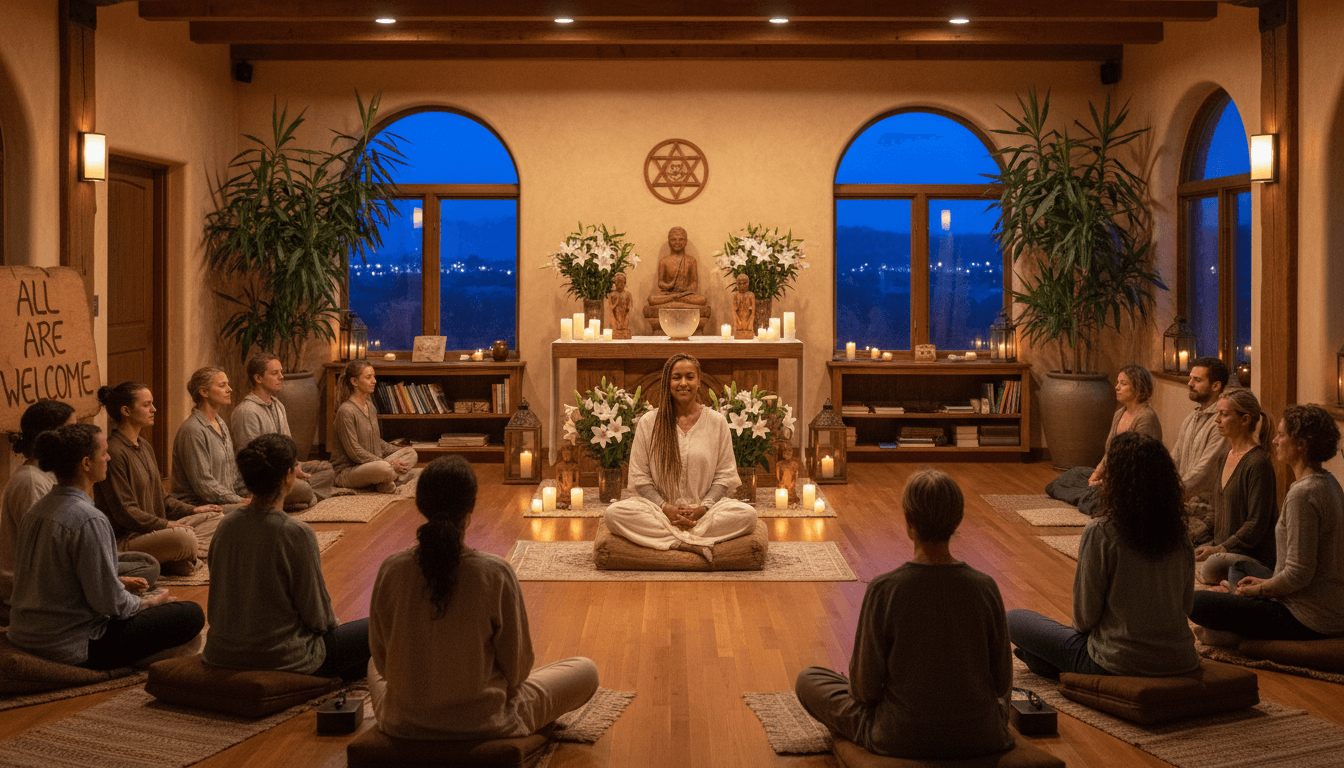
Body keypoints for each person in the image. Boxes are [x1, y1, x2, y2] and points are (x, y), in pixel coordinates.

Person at [369, 455, 599, 739]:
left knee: (370, 666)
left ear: (420, 506)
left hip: (403, 722)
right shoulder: (495, 573)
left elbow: (382, 663)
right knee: (586, 671)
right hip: (484, 722)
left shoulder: (391, 569)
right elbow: (518, 671)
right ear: (471, 508)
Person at [795, 469, 1012, 760]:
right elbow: (1001, 683)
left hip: (898, 736)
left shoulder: (885, 589)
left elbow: (863, 689)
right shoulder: (986, 588)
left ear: (909, 523)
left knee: (809, 679)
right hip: (983, 735)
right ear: (957, 521)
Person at [8, 423, 204, 669]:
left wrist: (119, 585)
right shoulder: (89, 518)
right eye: (104, 453)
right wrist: (149, 603)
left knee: (146, 572)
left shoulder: (37, 510)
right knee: (190, 614)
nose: (109, 457)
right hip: (71, 644)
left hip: (25, 634)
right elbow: (110, 604)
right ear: (86, 463)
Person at [1008, 432, 1199, 679]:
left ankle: (1049, 662)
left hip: (1116, 662)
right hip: (1180, 659)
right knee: (1041, 645)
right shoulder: (1179, 533)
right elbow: (1187, 605)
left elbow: (1084, 619)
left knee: (1014, 618)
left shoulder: (1102, 531)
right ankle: (1045, 660)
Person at [203, 434, 368, 679]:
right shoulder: (294, 533)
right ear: (288, 476)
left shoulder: (225, 525)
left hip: (220, 653)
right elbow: (320, 619)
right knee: (378, 628)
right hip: (280, 658)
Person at [1190, 405, 1344, 646]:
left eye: (1281, 435)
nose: (1274, 440)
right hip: (1326, 605)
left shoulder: (1303, 495)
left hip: (1306, 616)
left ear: (1301, 444)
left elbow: (1298, 574)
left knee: (1196, 602)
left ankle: (1233, 639)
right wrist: (1264, 584)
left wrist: (1260, 592)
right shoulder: (1330, 482)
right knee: (1239, 573)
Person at [3, 400, 159, 623]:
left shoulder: (58, 479)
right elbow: (46, 558)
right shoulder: (32, 481)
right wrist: (119, 588)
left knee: (147, 563)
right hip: (35, 590)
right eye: (72, 429)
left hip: (62, 572)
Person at [603, 354, 757, 562]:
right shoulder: (649, 422)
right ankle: (688, 543)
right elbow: (640, 478)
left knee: (747, 515)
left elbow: (724, 476)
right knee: (614, 514)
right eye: (676, 377)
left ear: (699, 381)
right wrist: (666, 508)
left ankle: (668, 540)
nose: (683, 383)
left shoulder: (717, 422)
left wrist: (703, 508)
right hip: (660, 511)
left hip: (704, 512)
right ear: (668, 382)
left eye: (689, 377)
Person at [95, 383, 223, 576]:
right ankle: (180, 557)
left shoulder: (145, 446)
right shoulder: (114, 452)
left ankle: (179, 558)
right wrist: (166, 525)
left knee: (218, 518)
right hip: (129, 539)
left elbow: (162, 498)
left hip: (157, 532)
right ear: (126, 411)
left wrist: (194, 509)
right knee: (184, 538)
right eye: (147, 405)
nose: (154, 409)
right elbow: (125, 511)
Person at [1046, 364, 1161, 516]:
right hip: (1112, 475)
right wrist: (1097, 474)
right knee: (1069, 477)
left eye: (1123, 384)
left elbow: (1139, 464)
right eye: (1117, 382)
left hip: (1132, 483)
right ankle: (1092, 494)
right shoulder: (1120, 413)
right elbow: (1109, 452)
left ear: (1139, 388)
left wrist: (1109, 482)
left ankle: (1097, 498)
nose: (1117, 387)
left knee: (1092, 501)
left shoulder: (1146, 418)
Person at [230, 352, 336, 511]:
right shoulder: (247, 411)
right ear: (258, 378)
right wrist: (288, 474)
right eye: (274, 373)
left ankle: (300, 501)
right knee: (304, 488)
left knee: (327, 469)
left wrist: (293, 467)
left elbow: (288, 444)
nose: (281, 377)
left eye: (280, 372)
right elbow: (252, 461)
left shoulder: (278, 404)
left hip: (285, 470)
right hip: (264, 480)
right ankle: (301, 499)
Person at [1194, 388, 1277, 585]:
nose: (1217, 420)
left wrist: (1220, 549)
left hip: (1250, 556)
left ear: (1245, 420)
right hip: (1223, 549)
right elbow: (1216, 513)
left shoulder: (1258, 463)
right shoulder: (1225, 457)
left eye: (1224, 414)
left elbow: (1255, 524)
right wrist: (1193, 538)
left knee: (1209, 566)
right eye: (1217, 414)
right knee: (1183, 554)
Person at [331, 360, 418, 492]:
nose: (374, 381)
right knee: (383, 468)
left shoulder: (370, 407)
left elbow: (377, 442)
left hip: (374, 463)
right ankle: (388, 478)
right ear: (354, 382)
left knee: (411, 453)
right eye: (368, 377)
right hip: (349, 471)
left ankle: (383, 481)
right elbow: (355, 453)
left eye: (374, 376)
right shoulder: (346, 411)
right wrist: (390, 464)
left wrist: (397, 452)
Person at [171, 367, 248, 506]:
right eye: (222, 385)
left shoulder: (220, 423)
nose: (229, 389)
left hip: (224, 503)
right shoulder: (192, 430)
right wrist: (241, 501)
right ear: (204, 392)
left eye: (227, 384)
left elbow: (232, 473)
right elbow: (204, 485)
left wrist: (251, 493)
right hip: (199, 506)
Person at [1171, 357, 1231, 512]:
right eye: (1190, 378)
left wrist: (1170, 492)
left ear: (1216, 386)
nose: (1190, 384)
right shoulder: (1191, 418)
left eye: (1197, 380)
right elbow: (1174, 458)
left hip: (1206, 508)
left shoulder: (1221, 423)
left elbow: (1203, 471)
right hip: (1181, 501)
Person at [608, 271, 632, 340]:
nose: (620, 284)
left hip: (624, 316)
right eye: (618, 282)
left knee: (624, 327)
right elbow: (610, 309)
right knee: (617, 326)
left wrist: (626, 320)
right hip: (616, 316)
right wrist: (615, 304)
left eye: (622, 282)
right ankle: (617, 329)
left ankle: (624, 328)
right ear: (615, 283)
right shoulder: (612, 295)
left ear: (625, 283)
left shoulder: (628, 295)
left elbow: (629, 308)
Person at [731, 273, 756, 339]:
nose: (742, 286)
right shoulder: (735, 295)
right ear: (737, 284)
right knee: (738, 328)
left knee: (748, 329)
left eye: (744, 283)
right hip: (738, 322)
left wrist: (749, 323)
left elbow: (752, 312)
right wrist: (738, 322)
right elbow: (734, 311)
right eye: (740, 283)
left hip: (748, 322)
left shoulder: (751, 295)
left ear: (748, 283)